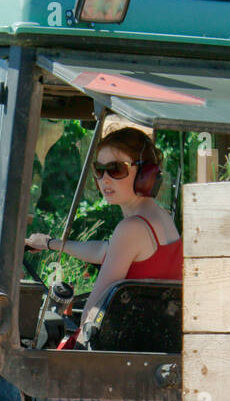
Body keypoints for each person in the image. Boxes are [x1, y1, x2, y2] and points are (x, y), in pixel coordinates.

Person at [25, 123, 182, 346]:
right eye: (99, 170)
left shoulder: (132, 228)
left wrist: (72, 344)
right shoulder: (159, 216)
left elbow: (94, 309)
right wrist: (50, 243)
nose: (104, 179)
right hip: (150, 345)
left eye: (117, 169)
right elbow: (104, 251)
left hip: (126, 349)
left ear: (145, 174)